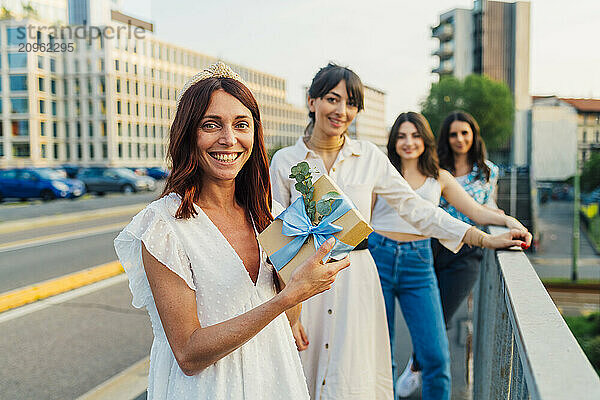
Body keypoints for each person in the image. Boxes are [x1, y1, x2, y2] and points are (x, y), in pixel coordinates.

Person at [269, 63, 531, 400]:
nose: (342, 111)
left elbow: (417, 209)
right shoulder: (284, 161)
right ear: (312, 101)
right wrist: (290, 313)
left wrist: (483, 237)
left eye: (351, 103)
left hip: (357, 277)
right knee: (304, 371)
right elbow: (278, 240)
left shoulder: (370, 158)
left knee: (355, 375)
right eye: (333, 99)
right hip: (305, 287)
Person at [113, 62, 350, 400]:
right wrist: (288, 296)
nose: (229, 139)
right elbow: (188, 354)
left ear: (255, 134)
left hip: (275, 379)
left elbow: (288, 315)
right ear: (188, 133)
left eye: (241, 125)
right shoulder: (162, 227)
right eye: (211, 125)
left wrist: (300, 278)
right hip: (208, 389)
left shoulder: (274, 218)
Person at [368, 112, 530, 399]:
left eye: (416, 135)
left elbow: (476, 210)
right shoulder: (382, 173)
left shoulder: (438, 177)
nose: (409, 142)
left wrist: (509, 222)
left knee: (436, 358)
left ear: (426, 139)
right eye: (402, 136)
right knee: (381, 355)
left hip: (418, 262)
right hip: (378, 257)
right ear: (393, 141)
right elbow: (364, 217)